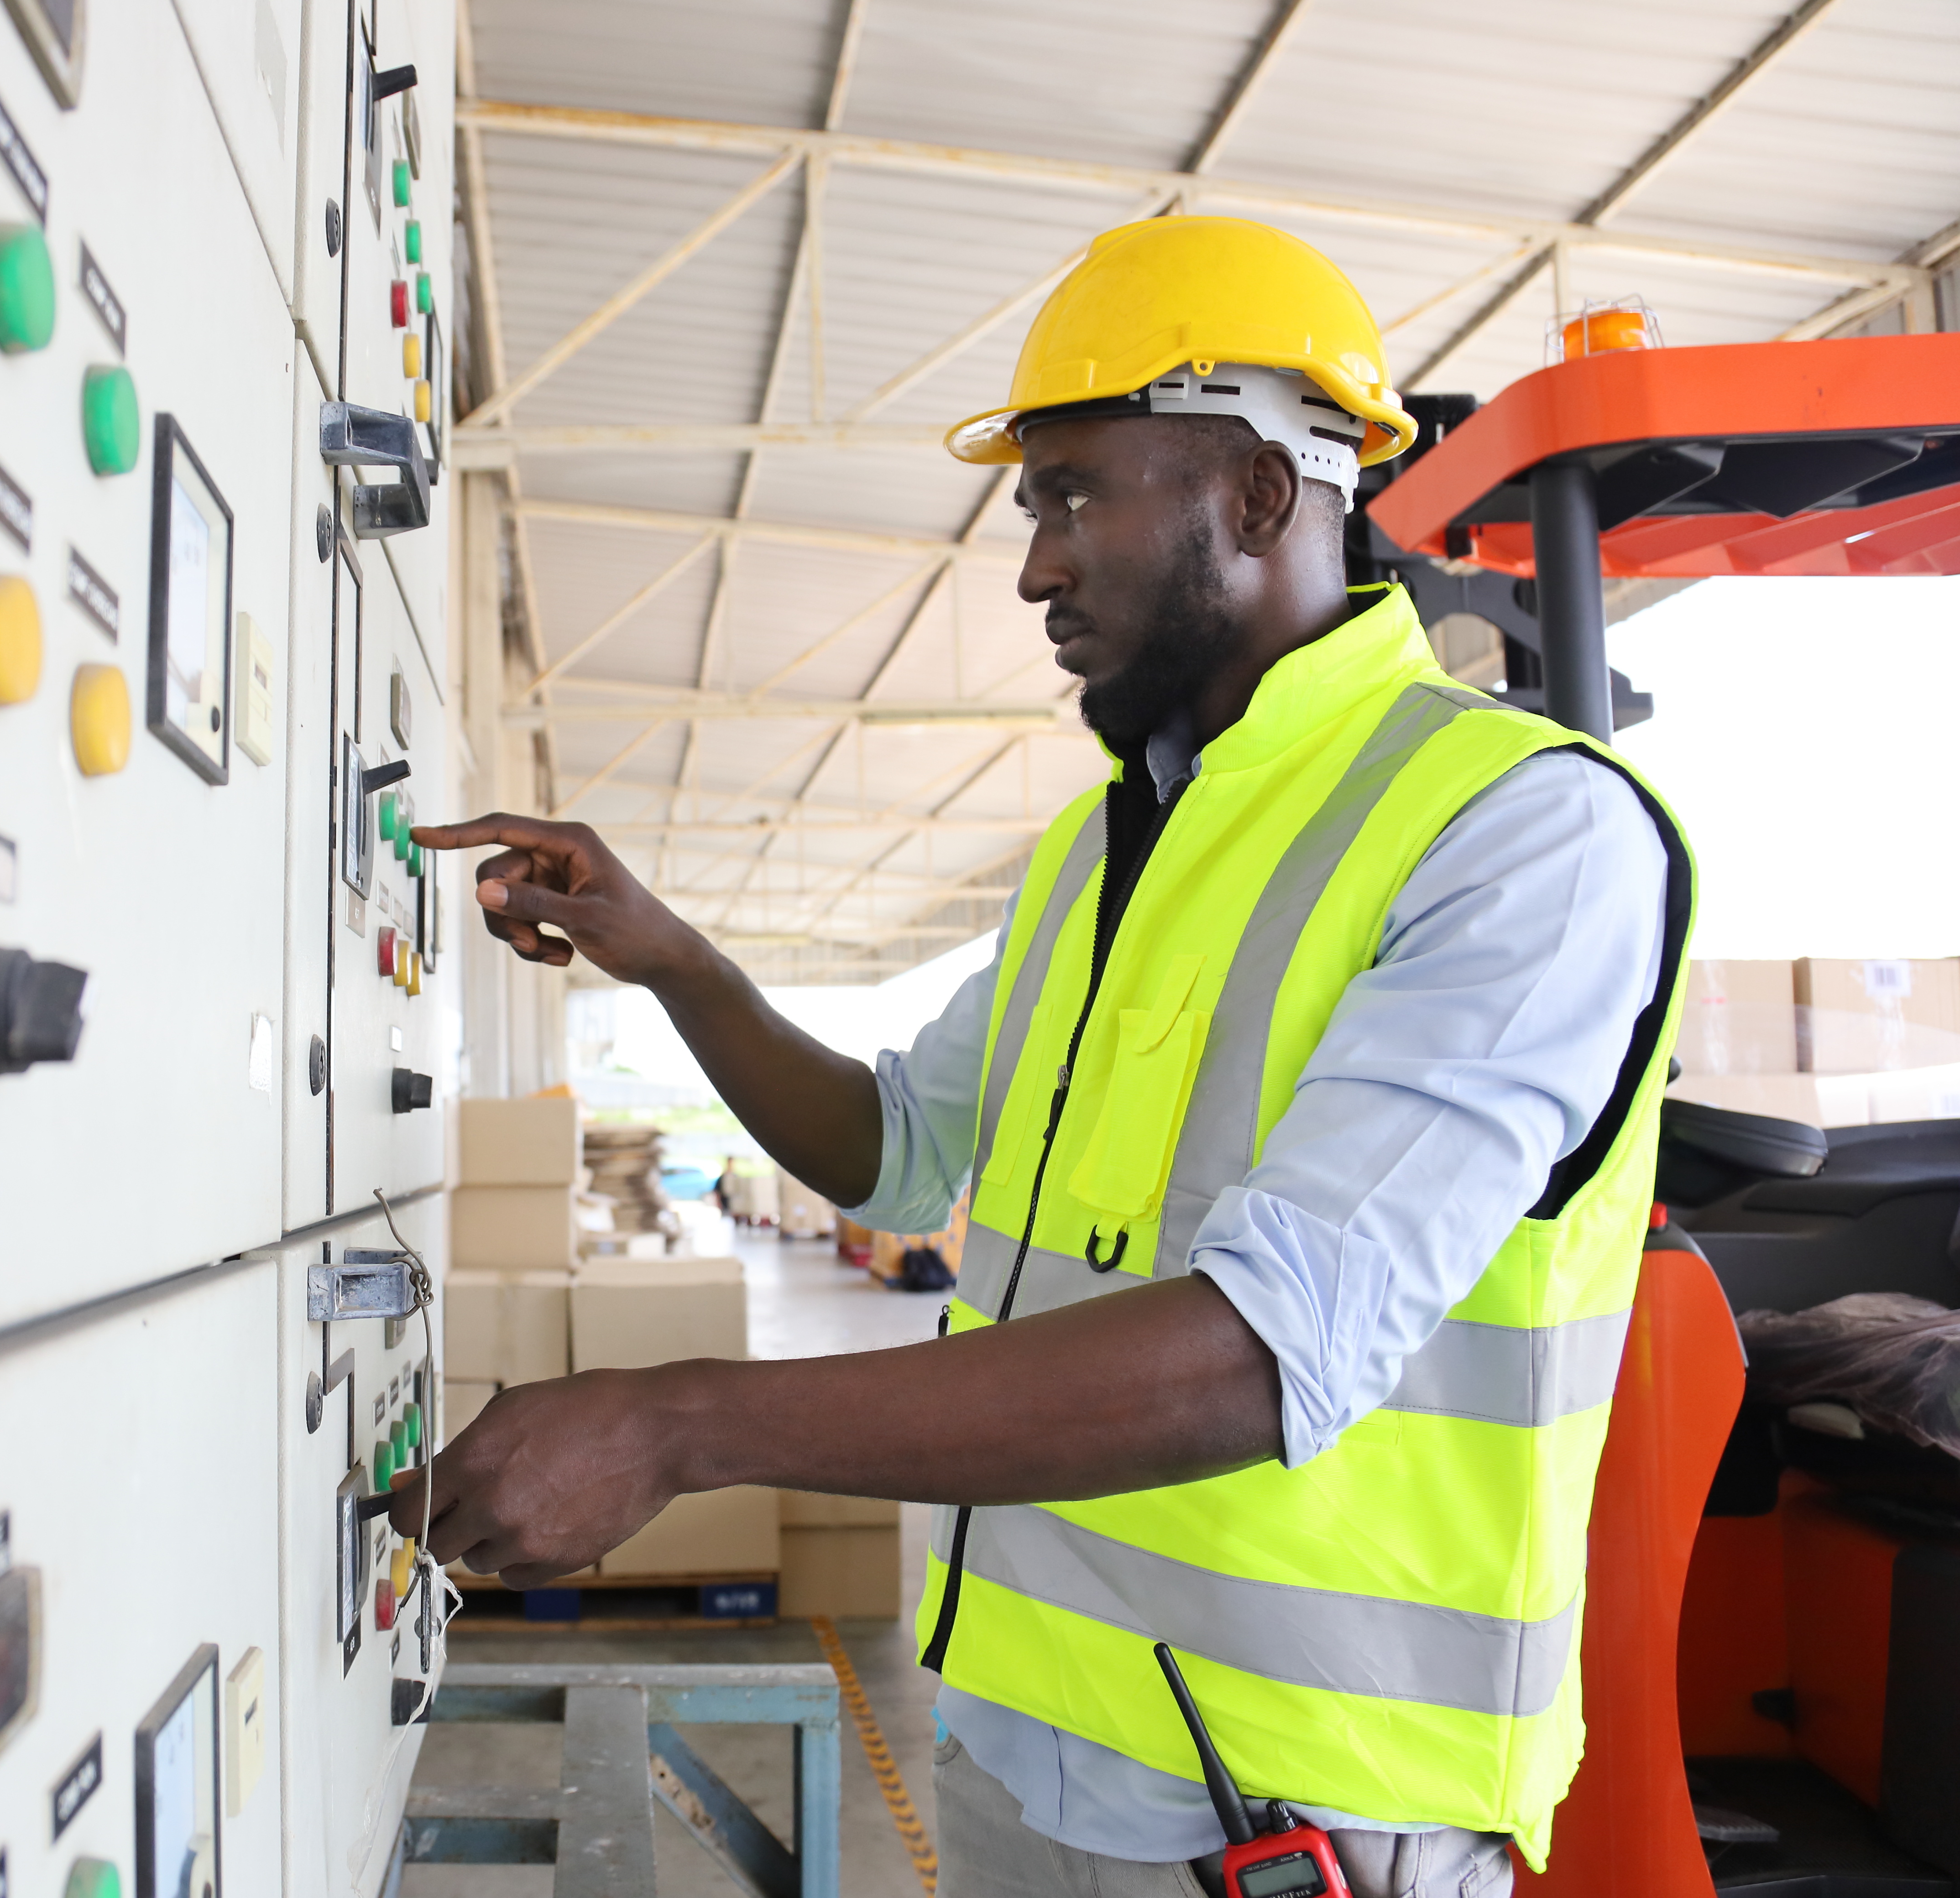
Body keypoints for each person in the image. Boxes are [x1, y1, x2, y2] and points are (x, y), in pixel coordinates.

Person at [393, 216, 1693, 1898]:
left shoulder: (1521, 835)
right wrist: (680, 965)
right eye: (1034, 510)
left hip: (1290, 1825)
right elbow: (891, 1152)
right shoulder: (1098, 853)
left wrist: (677, 1425)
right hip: (1014, 1755)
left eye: (1074, 496)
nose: (1033, 569)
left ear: (1259, 494)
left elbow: (1264, 1350)